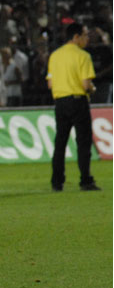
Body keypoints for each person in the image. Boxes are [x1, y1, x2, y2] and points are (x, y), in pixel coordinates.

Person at [46, 23, 100, 192]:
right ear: (76, 37)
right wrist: (92, 88)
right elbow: (85, 84)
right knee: (83, 142)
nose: (87, 38)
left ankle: (56, 182)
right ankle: (85, 180)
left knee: (60, 142)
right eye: (84, 35)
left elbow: (50, 83)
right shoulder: (83, 56)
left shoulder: (55, 55)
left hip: (60, 102)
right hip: (78, 101)